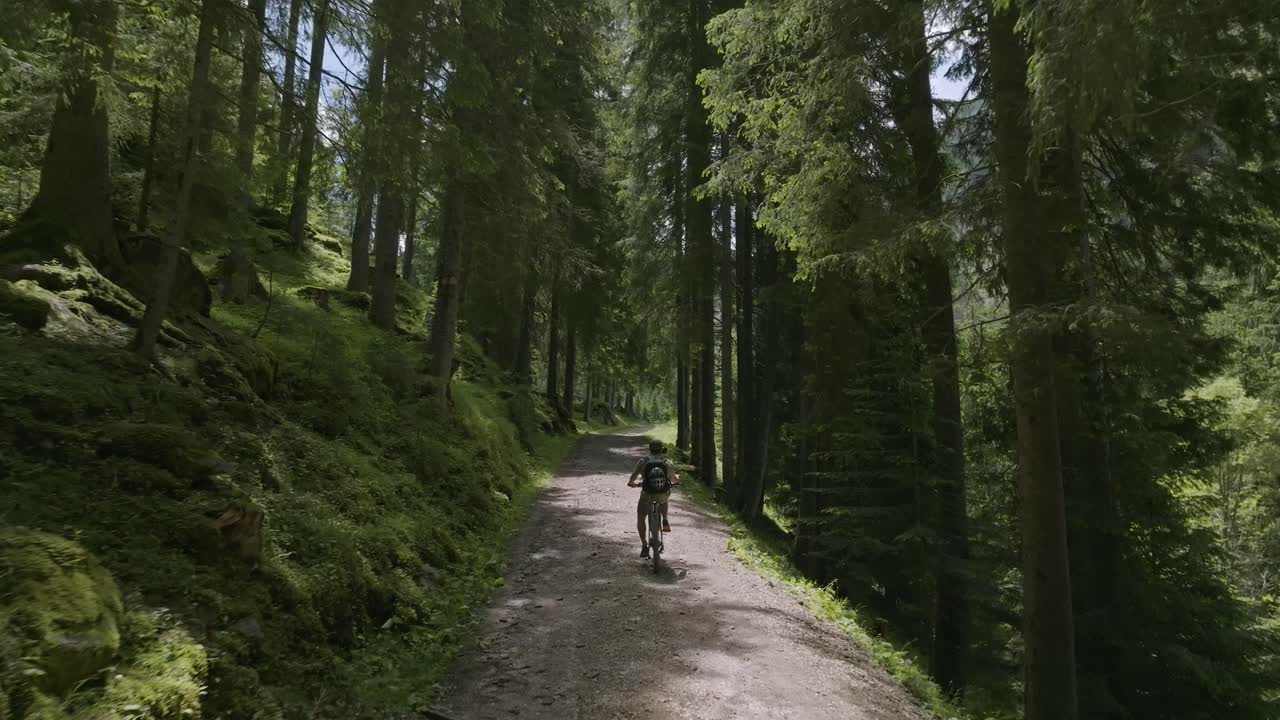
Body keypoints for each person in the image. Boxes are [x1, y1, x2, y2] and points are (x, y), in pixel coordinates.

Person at [627, 439, 680, 558]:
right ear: (661, 449)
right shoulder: (666, 461)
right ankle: (665, 519)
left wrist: (631, 482)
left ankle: (644, 545)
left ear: (649, 449)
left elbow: (634, 475)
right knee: (664, 497)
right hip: (662, 494)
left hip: (647, 495)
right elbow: (673, 479)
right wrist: (677, 481)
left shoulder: (643, 461)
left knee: (641, 517)